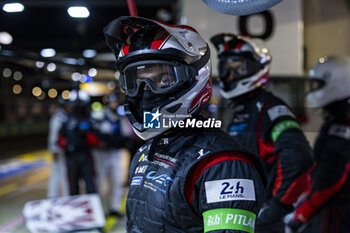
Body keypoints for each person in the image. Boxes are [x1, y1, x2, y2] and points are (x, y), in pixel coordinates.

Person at [104, 16, 267, 233]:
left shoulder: (223, 165)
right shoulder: (145, 151)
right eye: (137, 81)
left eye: (162, 80)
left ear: (194, 77)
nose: (146, 91)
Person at [210, 33, 313, 233]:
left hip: (260, 221)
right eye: (226, 69)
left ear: (258, 68)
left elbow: (299, 156)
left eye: (238, 69)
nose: (229, 77)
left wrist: (275, 207)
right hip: (238, 216)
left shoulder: (269, 108)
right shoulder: (239, 109)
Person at [287, 56, 350, 233]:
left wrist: (300, 215)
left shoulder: (341, 126)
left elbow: (329, 180)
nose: (312, 91)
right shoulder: (337, 119)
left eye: (317, 85)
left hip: (337, 217)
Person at [91, 94, 129, 230]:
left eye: (115, 102)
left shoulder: (120, 118)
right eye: (111, 102)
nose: (114, 104)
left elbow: (125, 135)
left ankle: (113, 207)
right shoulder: (100, 115)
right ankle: (99, 210)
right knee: (100, 182)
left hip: (115, 153)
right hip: (101, 154)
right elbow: (94, 133)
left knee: (117, 181)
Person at [58, 89, 98, 195]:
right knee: (73, 187)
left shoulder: (89, 120)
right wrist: (67, 145)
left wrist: (85, 135)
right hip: (72, 156)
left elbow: (96, 139)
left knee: (90, 185)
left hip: (86, 155)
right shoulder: (66, 120)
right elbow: (60, 138)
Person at [47, 96, 69, 197]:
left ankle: (57, 196)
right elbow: (54, 136)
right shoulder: (59, 117)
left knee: (61, 174)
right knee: (60, 175)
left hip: (62, 150)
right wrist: (54, 150)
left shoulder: (62, 116)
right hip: (60, 150)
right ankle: (55, 196)